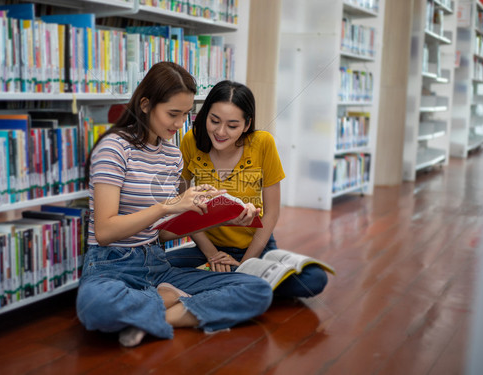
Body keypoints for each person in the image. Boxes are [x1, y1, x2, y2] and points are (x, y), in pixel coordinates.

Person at [76, 62, 273, 347]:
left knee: (257, 290)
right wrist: (169, 206)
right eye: (173, 114)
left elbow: (164, 234)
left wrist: (218, 214)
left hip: (157, 263)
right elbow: (105, 231)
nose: (180, 124)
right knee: (95, 306)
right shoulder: (114, 148)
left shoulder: (171, 155)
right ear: (145, 105)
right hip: (112, 265)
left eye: (185, 115)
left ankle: (150, 316)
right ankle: (169, 300)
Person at [166, 80, 329, 298]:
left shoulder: (263, 143)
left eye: (232, 125)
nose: (221, 131)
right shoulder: (191, 141)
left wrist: (245, 264)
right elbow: (183, 204)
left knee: (314, 279)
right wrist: (213, 255)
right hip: (209, 247)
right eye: (214, 121)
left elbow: (271, 213)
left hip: (256, 246)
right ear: (204, 115)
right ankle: (243, 286)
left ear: (246, 124)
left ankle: (229, 282)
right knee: (155, 267)